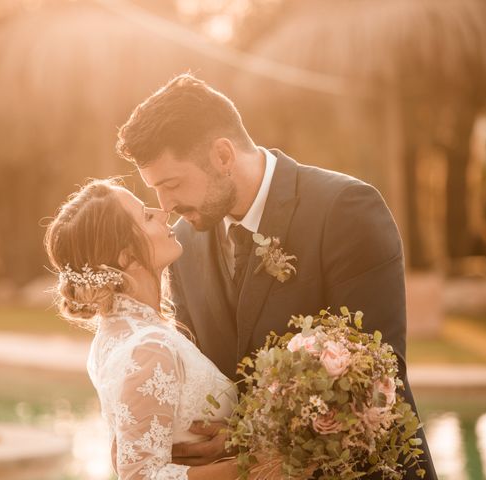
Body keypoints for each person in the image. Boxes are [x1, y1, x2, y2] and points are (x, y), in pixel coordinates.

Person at [116, 73, 438, 479]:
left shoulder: (346, 210)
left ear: (222, 156)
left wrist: (247, 443)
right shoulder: (183, 245)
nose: (166, 206)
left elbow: (375, 381)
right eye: (155, 190)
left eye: (172, 184)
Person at [44, 179, 239, 480]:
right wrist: (249, 466)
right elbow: (140, 476)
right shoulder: (149, 347)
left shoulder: (118, 334)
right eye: (147, 216)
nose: (163, 213)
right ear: (126, 257)